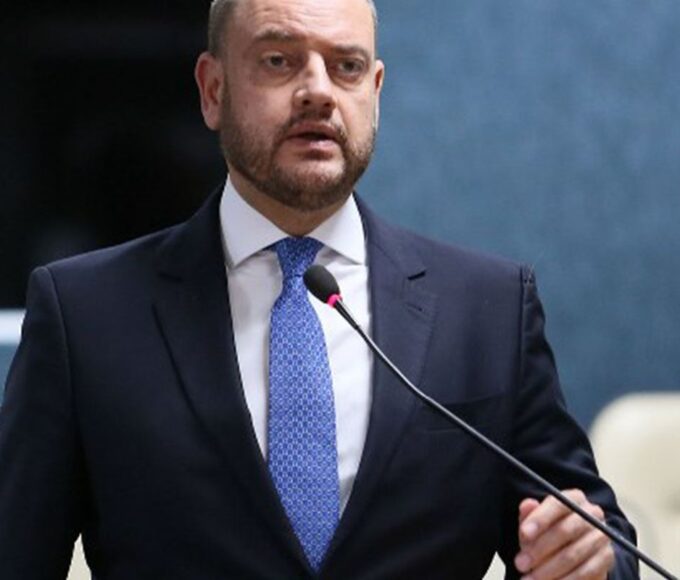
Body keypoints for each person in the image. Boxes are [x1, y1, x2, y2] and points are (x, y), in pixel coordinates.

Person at [0, 0, 638, 578]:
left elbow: (597, 542)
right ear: (213, 90)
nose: (318, 92)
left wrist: (587, 557)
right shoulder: (85, 316)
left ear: (375, 92)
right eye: (279, 61)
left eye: (347, 67)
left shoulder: (488, 310)